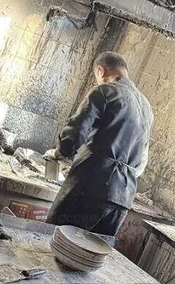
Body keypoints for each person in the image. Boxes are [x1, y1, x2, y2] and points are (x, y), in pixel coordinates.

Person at [43, 51, 153, 236]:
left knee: (56, 238)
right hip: (123, 197)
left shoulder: (105, 91)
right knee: (92, 250)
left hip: (90, 189)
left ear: (101, 71)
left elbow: (74, 136)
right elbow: (142, 161)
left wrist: (58, 153)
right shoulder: (146, 107)